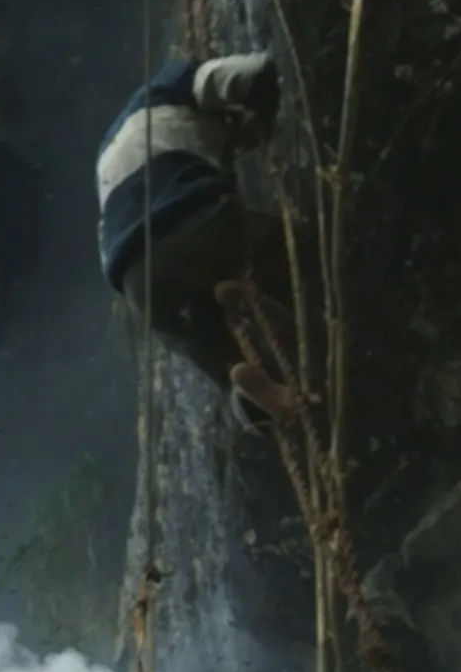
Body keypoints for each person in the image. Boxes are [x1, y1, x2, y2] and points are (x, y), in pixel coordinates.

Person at [96, 52, 306, 426]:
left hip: (139, 282)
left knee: (212, 352)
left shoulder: (106, 165)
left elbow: (107, 255)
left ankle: (247, 395)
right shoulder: (173, 86)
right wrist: (260, 119)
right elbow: (255, 71)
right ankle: (246, 288)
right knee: (291, 252)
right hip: (198, 226)